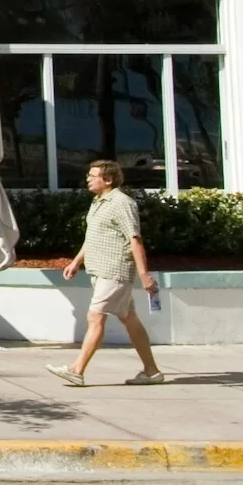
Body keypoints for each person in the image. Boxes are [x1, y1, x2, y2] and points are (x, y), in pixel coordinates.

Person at [53, 159, 164, 387]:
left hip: (115, 270)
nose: (88, 179)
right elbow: (93, 236)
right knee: (129, 319)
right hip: (99, 269)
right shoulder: (98, 202)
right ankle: (152, 371)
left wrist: (144, 275)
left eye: (93, 175)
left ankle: (77, 369)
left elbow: (135, 239)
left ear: (109, 179)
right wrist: (76, 262)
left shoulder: (122, 203)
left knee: (95, 317)